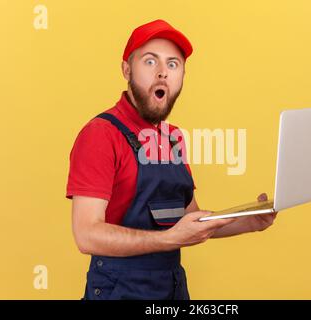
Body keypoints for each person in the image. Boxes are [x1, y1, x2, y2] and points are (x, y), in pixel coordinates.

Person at [66, 19, 278, 300]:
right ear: (126, 69)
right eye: (150, 62)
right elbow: (87, 235)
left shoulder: (173, 138)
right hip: (118, 290)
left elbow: (190, 220)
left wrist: (248, 221)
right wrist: (168, 239)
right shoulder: (101, 135)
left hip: (171, 289)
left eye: (173, 64)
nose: (163, 73)